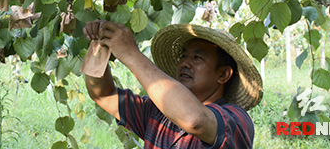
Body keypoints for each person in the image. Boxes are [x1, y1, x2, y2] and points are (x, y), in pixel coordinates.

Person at [82, 21, 263, 149]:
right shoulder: (157, 112)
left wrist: (131, 55)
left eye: (197, 57)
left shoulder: (236, 120)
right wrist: (99, 44)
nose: (185, 63)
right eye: (183, 56)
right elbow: (103, 94)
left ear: (223, 74)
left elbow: (195, 120)